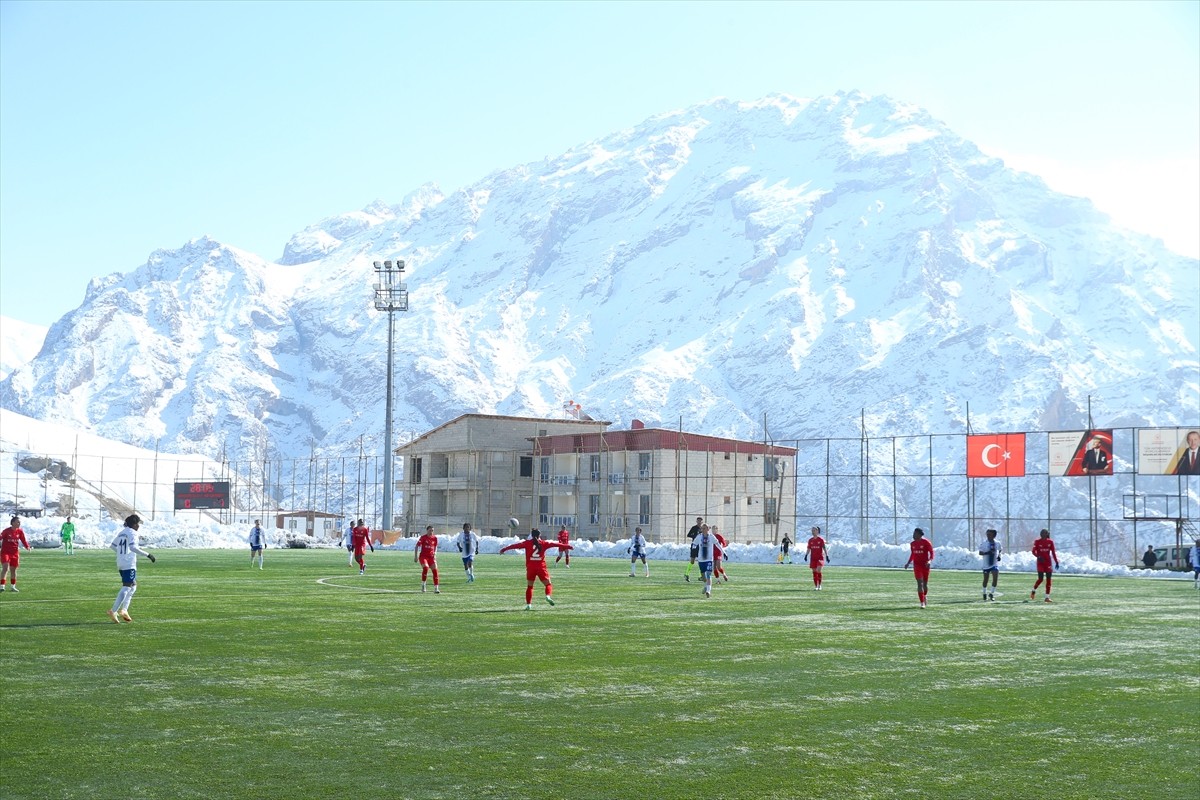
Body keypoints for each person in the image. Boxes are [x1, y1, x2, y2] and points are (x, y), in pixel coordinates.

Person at [499, 528, 571, 609]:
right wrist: (568, 546)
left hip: (531, 568)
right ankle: (548, 596)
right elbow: (555, 544)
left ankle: (528, 605)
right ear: (539, 535)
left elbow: (515, 545)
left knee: (530, 587)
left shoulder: (527, 543)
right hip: (541, 568)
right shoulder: (543, 543)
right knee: (548, 584)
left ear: (532, 535)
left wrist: (504, 549)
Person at [107, 514, 155, 622]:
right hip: (129, 563)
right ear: (134, 524)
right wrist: (148, 555)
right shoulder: (133, 533)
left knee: (133, 586)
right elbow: (133, 547)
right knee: (127, 586)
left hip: (120, 562)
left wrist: (121, 554)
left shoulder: (122, 532)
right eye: (137, 523)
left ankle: (124, 610)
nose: (138, 526)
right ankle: (113, 610)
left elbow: (112, 546)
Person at [904, 527, 934, 608]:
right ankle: (922, 603)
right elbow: (913, 554)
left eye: (915, 534)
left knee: (925, 584)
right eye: (913, 533)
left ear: (920, 535)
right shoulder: (912, 544)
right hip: (917, 566)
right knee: (919, 583)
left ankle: (924, 596)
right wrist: (908, 563)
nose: (913, 535)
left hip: (925, 565)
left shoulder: (926, 542)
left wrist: (929, 561)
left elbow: (931, 553)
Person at [0, 516, 31, 592]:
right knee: (5, 568)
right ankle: (2, 586)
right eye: (17, 522)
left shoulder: (20, 531)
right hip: (5, 553)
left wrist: (27, 546)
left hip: (15, 553)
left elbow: (23, 540)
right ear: (13, 523)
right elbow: (0, 537)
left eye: (19, 522)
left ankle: (13, 586)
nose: (19, 523)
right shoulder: (6, 531)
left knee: (13, 570)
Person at [693, 525, 723, 599]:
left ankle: (708, 591)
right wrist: (693, 550)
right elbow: (694, 544)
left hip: (709, 559)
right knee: (703, 576)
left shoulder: (711, 536)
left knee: (709, 575)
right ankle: (706, 586)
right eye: (702, 528)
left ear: (708, 529)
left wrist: (723, 552)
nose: (703, 529)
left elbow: (717, 544)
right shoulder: (699, 536)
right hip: (701, 559)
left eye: (704, 528)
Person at [1030, 528, 1060, 603]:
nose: (1042, 534)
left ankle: (1047, 597)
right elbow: (1033, 551)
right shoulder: (1037, 542)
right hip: (1040, 563)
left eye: (1044, 533)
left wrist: (1056, 562)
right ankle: (1033, 590)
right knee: (1040, 579)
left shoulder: (1050, 542)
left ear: (1047, 534)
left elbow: (1053, 552)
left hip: (1048, 563)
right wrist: (1038, 556)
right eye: (1041, 533)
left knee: (1049, 579)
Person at [415, 525, 441, 593]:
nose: (431, 532)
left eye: (432, 530)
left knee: (435, 571)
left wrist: (435, 553)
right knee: (426, 568)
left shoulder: (435, 538)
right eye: (430, 530)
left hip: (431, 557)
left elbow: (435, 547)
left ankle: (436, 588)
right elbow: (417, 546)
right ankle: (423, 585)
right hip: (423, 557)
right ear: (427, 531)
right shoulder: (423, 538)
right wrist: (416, 556)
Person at [979, 528, 1002, 600]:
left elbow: (1000, 549)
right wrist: (986, 553)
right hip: (986, 565)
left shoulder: (997, 543)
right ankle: (984, 593)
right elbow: (980, 553)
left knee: (995, 578)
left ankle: (991, 594)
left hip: (994, 564)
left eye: (989, 534)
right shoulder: (984, 543)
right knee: (986, 579)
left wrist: (999, 556)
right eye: (987, 534)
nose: (988, 535)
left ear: (994, 535)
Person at [804, 526, 829, 590]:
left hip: (820, 558)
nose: (813, 532)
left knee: (818, 570)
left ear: (817, 531)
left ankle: (820, 585)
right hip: (813, 558)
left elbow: (824, 548)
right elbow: (809, 548)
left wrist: (827, 556)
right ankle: (816, 586)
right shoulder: (810, 540)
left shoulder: (820, 540)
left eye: (814, 530)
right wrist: (806, 555)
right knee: (814, 571)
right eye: (812, 530)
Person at [683, 517, 703, 582]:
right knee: (692, 561)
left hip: (701, 546)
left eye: (700, 521)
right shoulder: (694, 528)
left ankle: (701, 576)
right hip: (694, 546)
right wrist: (694, 536)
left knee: (701, 561)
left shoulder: (703, 528)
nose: (699, 522)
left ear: (702, 522)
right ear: (696, 521)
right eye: (698, 521)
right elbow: (688, 535)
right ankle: (686, 574)